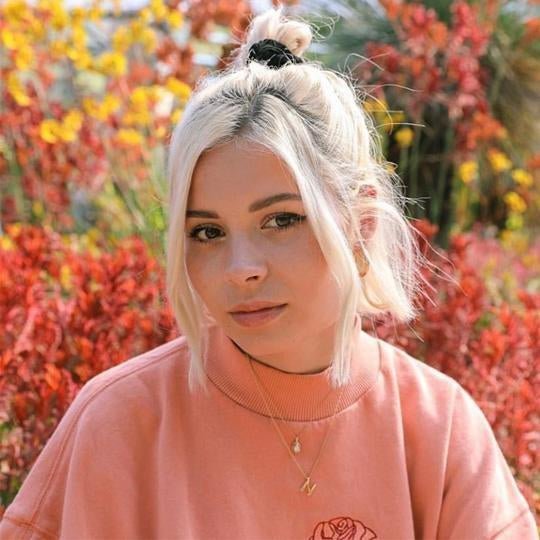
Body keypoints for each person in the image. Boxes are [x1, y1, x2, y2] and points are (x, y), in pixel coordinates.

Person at [1, 5, 537, 540]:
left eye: (282, 220)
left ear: (361, 224)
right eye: (206, 232)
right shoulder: (119, 423)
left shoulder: (439, 428)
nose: (241, 270)